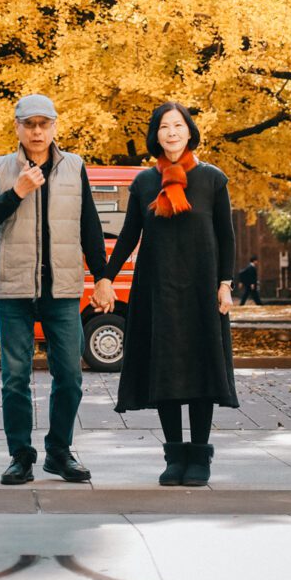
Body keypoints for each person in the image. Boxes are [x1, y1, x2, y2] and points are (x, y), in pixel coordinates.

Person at [0, 93, 115, 485]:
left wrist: (102, 276)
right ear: (17, 127)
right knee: (15, 377)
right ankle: (20, 455)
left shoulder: (75, 167)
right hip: (14, 289)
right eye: (29, 124)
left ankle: (58, 452)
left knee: (69, 375)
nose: (37, 131)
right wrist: (16, 192)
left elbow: (90, 226)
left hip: (64, 288)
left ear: (55, 127)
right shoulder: (0, 169)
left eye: (44, 124)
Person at [95, 102, 237, 487]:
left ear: (190, 132)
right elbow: (128, 236)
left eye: (178, 125)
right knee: (168, 371)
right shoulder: (143, 183)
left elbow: (226, 236)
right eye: (164, 126)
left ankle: (200, 457)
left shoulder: (212, 179)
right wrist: (105, 277)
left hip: (201, 290)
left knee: (202, 368)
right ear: (155, 135)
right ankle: (175, 455)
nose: (172, 132)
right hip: (157, 289)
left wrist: (225, 284)